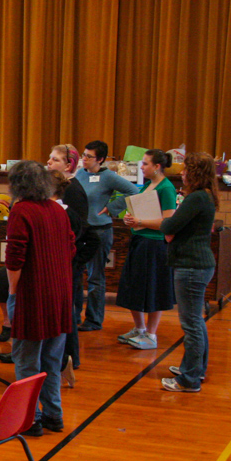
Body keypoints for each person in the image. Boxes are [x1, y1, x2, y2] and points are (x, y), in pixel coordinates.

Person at [131, 153, 218, 393]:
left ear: (196, 173)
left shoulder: (196, 198)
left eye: (186, 170)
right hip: (198, 264)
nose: (182, 173)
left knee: (191, 323)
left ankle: (189, 379)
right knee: (196, 322)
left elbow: (169, 226)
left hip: (191, 266)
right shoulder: (205, 196)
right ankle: (195, 369)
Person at [5, 161, 75, 436]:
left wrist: (13, 290)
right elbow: (70, 247)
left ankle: (30, 419)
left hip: (32, 296)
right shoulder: (58, 210)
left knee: (26, 361)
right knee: (51, 361)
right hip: (60, 295)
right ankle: (54, 416)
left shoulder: (21, 211)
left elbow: (15, 257)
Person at [47, 144, 100, 376]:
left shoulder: (73, 193)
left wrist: (75, 262)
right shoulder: (61, 193)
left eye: (55, 159)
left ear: (68, 165)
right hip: (63, 265)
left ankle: (70, 359)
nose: (48, 162)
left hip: (68, 267)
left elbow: (84, 233)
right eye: (49, 158)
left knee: (68, 313)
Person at [75, 140, 139, 331]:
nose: (84, 159)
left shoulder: (108, 177)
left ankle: (94, 320)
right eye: (83, 155)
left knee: (95, 277)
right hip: (81, 230)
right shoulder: (80, 174)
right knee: (76, 274)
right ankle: (74, 316)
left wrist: (112, 207)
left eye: (89, 156)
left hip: (99, 231)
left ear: (100, 159)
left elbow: (133, 190)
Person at [118, 149, 177, 350]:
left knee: (153, 288)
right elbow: (137, 213)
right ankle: (139, 328)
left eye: (145, 164)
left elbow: (168, 222)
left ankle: (151, 334)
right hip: (140, 241)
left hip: (155, 244)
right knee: (133, 285)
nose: (141, 167)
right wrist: (129, 219)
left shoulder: (166, 188)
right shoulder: (146, 187)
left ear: (157, 166)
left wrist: (140, 221)